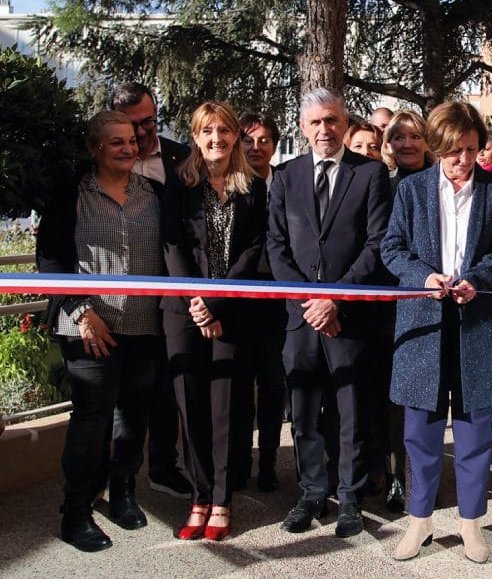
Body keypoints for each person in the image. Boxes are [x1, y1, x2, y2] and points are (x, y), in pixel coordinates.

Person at [381, 101, 492, 564]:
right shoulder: (411, 190)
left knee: (477, 431)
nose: (463, 160)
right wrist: (424, 277)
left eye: (472, 150)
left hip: (479, 323)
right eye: (454, 151)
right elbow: (392, 248)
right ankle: (419, 523)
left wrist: (479, 277)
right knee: (420, 431)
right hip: (424, 322)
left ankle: (471, 524)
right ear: (437, 148)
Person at [37, 110, 166, 552]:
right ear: (95, 146)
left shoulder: (154, 194)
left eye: (132, 140)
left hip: (144, 326)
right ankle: (76, 513)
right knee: (91, 423)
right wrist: (81, 311)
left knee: (133, 420)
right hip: (88, 327)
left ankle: (123, 493)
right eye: (117, 142)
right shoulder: (72, 194)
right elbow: (51, 261)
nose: (129, 148)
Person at [267, 87, 392, 538]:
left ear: (345, 124)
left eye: (333, 121)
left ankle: (351, 496)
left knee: (350, 410)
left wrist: (334, 298)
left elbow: (377, 244)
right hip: (301, 319)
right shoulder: (284, 177)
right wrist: (310, 302)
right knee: (303, 409)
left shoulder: (371, 175)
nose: (325, 129)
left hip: (348, 315)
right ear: (304, 127)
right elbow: (277, 248)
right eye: (316, 122)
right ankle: (312, 491)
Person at [160, 102, 266, 542]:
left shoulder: (253, 186)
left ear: (235, 136)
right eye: (208, 131)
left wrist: (217, 305)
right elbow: (172, 249)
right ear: (196, 136)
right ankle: (199, 497)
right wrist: (197, 303)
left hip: (231, 312)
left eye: (224, 130)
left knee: (225, 408)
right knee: (192, 407)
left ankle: (222, 499)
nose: (216, 138)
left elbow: (253, 248)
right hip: (183, 313)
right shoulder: (178, 184)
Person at [110, 81, 194, 500]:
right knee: (128, 401)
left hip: (172, 298)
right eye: (131, 126)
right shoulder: (103, 162)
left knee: (168, 391)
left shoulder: (182, 158)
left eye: (148, 123)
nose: (141, 135)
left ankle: (165, 467)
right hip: (123, 303)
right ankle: (122, 480)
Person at [237, 111, 286, 492]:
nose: (256, 147)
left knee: (273, 383)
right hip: (238, 296)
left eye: (264, 140)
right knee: (239, 384)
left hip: (276, 296)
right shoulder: (231, 185)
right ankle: (239, 461)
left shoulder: (286, 182)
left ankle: (268, 459)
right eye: (248, 140)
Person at [384, 110, 435, 188]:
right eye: (399, 138)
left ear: (427, 143)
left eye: (415, 137)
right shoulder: (383, 186)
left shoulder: (441, 183)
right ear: (389, 146)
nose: (407, 145)